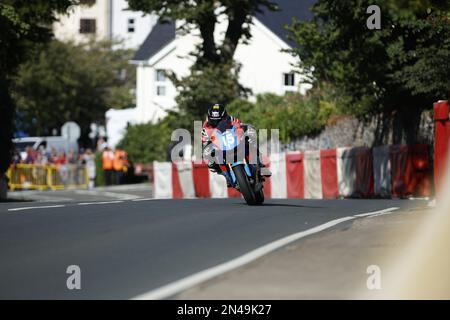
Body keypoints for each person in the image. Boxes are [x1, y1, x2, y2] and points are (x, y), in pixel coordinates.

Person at [201, 103, 270, 187]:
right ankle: (226, 176)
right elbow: (205, 142)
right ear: (209, 118)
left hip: (233, 141)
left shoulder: (230, 119)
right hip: (219, 148)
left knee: (251, 138)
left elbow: (239, 125)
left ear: (224, 116)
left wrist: (245, 129)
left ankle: (261, 165)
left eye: (219, 121)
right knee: (210, 162)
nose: (216, 123)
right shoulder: (205, 127)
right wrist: (208, 150)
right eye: (214, 121)